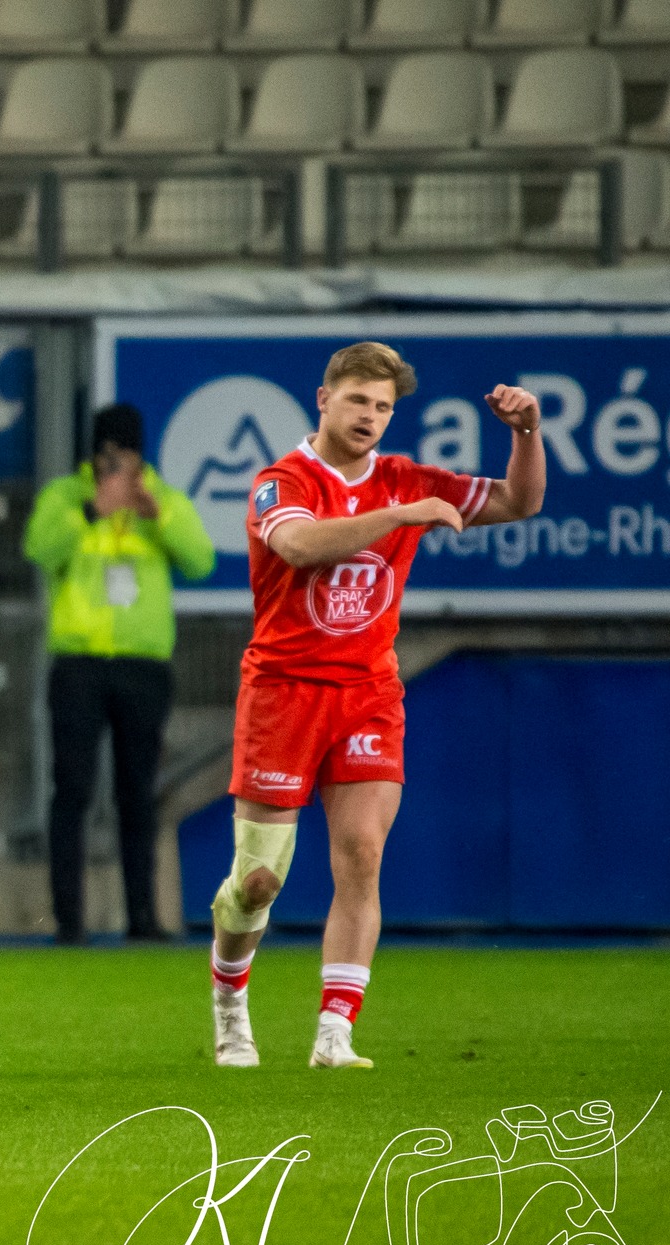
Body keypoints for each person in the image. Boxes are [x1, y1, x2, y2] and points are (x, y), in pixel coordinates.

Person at [208, 343, 543, 1070]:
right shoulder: (283, 480)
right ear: (323, 398)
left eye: (384, 406)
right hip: (284, 692)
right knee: (259, 880)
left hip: (367, 694)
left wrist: (526, 433)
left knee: (361, 854)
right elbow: (297, 546)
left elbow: (520, 502)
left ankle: (335, 1032)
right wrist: (401, 514)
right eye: (358, 399)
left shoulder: (405, 481)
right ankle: (230, 1001)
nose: (370, 416)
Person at [26, 404, 215, 944]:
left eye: (125, 452)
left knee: (137, 793)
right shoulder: (65, 497)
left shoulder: (163, 498)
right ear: (93, 452)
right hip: (79, 664)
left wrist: (162, 518)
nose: (117, 462)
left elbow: (201, 561)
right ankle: (69, 922)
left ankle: (143, 918)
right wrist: (91, 510)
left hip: (142, 666)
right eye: (107, 452)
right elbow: (38, 549)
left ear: (140, 453)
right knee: (73, 791)